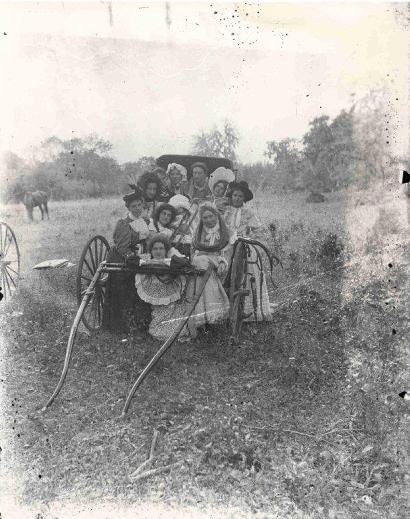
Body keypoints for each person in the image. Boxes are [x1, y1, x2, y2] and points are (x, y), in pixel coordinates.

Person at [102, 189, 151, 332]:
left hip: (141, 256)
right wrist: (133, 258)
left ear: (143, 206)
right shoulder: (124, 224)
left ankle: (142, 320)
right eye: (133, 206)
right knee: (126, 284)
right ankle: (122, 324)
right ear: (128, 208)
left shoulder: (146, 221)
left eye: (139, 205)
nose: (137, 209)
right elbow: (122, 247)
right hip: (122, 258)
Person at [224, 180, 272, 323]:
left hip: (243, 243)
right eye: (234, 195)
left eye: (240, 196)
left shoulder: (248, 212)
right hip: (227, 244)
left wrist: (248, 238)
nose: (237, 198)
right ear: (231, 196)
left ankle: (248, 309)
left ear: (244, 198)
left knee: (248, 270)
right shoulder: (226, 210)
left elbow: (259, 230)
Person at [135, 234, 191, 342]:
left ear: (166, 250)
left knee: (174, 312)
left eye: (161, 248)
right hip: (156, 291)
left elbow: (184, 264)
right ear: (151, 250)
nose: (158, 251)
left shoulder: (170, 261)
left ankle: (175, 331)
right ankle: (159, 330)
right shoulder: (147, 261)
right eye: (155, 249)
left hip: (171, 293)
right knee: (158, 319)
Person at [185, 205, 231, 333]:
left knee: (202, 263)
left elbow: (227, 252)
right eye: (205, 217)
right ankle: (203, 316)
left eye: (211, 216)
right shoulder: (198, 232)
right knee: (200, 264)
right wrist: (198, 255)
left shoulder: (225, 232)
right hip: (201, 263)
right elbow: (193, 250)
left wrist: (222, 261)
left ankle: (211, 315)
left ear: (216, 216)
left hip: (218, 261)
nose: (208, 219)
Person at [168, 194, 194, 259]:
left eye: (183, 212)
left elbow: (194, 235)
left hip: (189, 247)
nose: (181, 215)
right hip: (175, 247)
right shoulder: (170, 224)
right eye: (177, 213)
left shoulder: (191, 223)